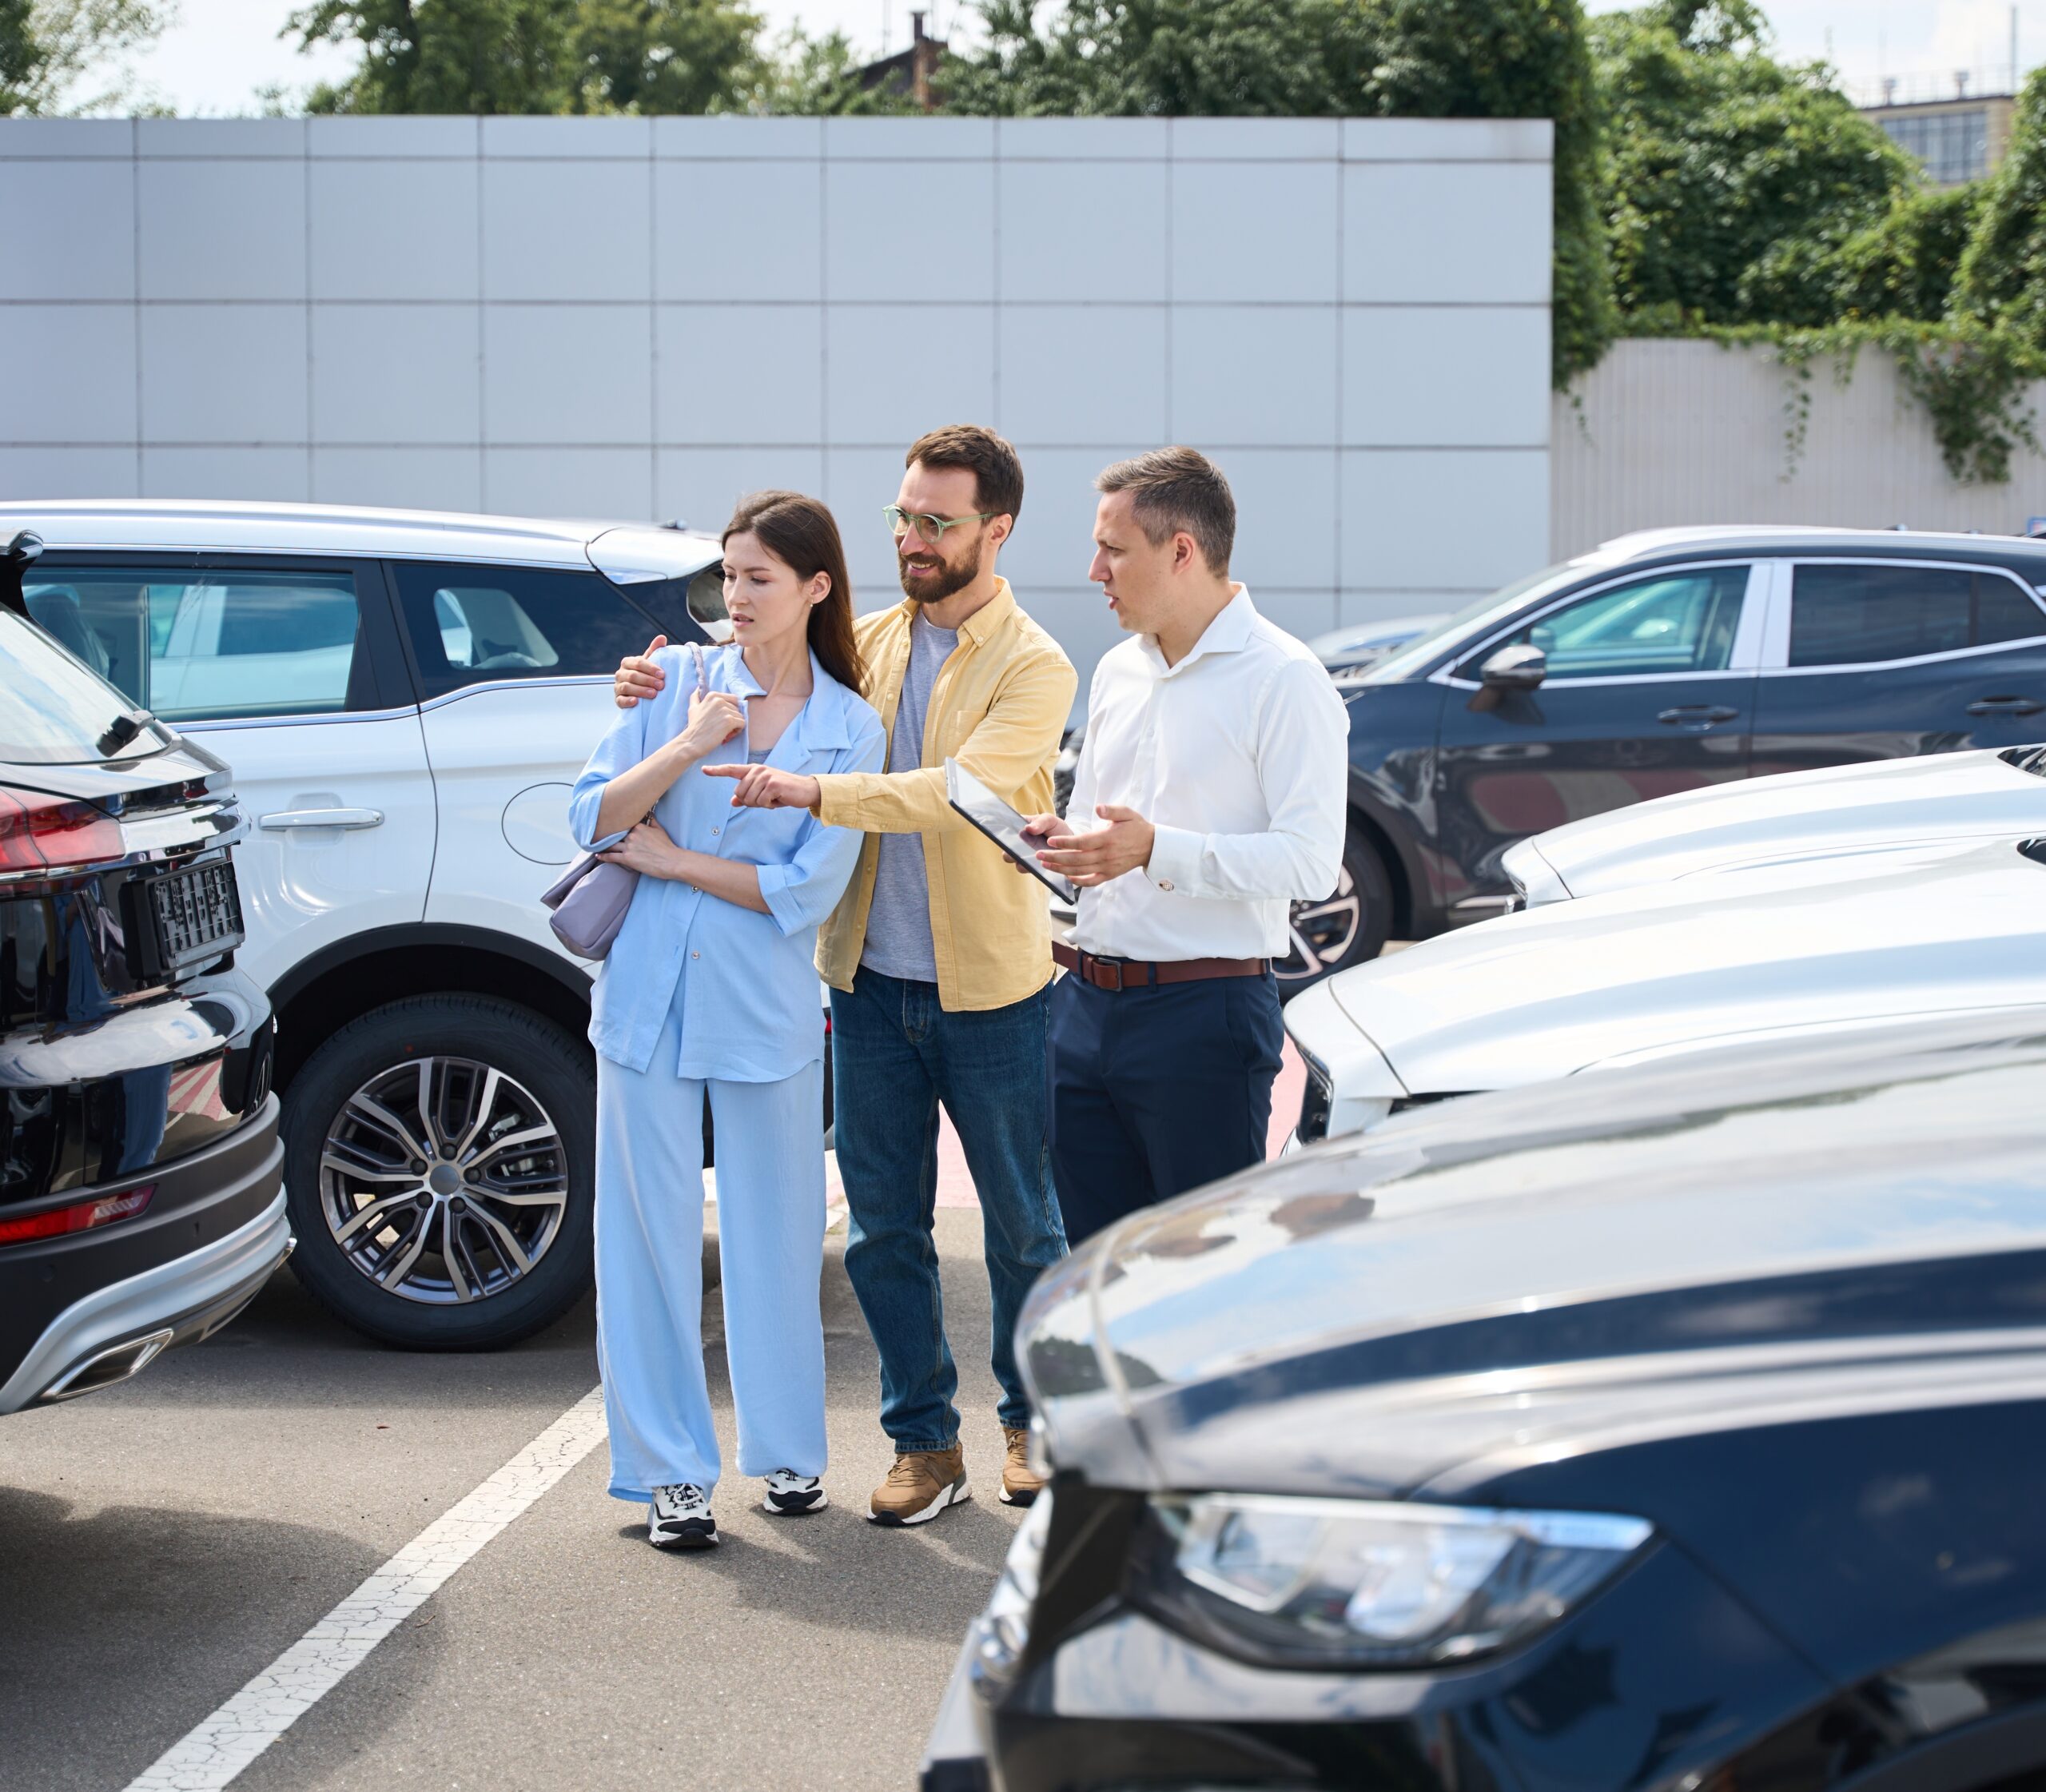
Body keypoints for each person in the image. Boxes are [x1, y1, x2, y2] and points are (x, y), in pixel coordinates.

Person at [611, 425, 1075, 1524]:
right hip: (867, 980)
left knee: (1021, 1223)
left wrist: (816, 792)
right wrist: (641, 681)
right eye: (903, 517)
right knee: (882, 1231)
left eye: (937, 522)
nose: (913, 537)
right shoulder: (870, 644)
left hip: (990, 987)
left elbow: (957, 792)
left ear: (996, 530)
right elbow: (762, 653)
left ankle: (1033, 1423)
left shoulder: (1037, 663)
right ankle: (924, 1445)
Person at [568, 491, 886, 1551]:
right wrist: (684, 745)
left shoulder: (850, 727)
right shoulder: (675, 681)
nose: (736, 596)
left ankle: (790, 1454)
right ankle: (669, 1474)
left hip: (766, 1005)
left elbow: (806, 891)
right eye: (729, 576)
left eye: (759, 577)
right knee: (646, 1241)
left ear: (816, 586)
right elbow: (590, 815)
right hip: (646, 999)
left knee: (777, 1233)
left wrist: (672, 861)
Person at [1022, 447, 1350, 1245]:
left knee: (1204, 1271)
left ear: (1181, 551)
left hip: (1203, 1019)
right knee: (1098, 1270)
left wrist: (1154, 851)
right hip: (1083, 1008)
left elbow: (1311, 862)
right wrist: (1064, 846)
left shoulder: (1285, 678)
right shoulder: (1116, 670)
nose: (1094, 570)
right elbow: (1103, 825)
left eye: (1113, 549)